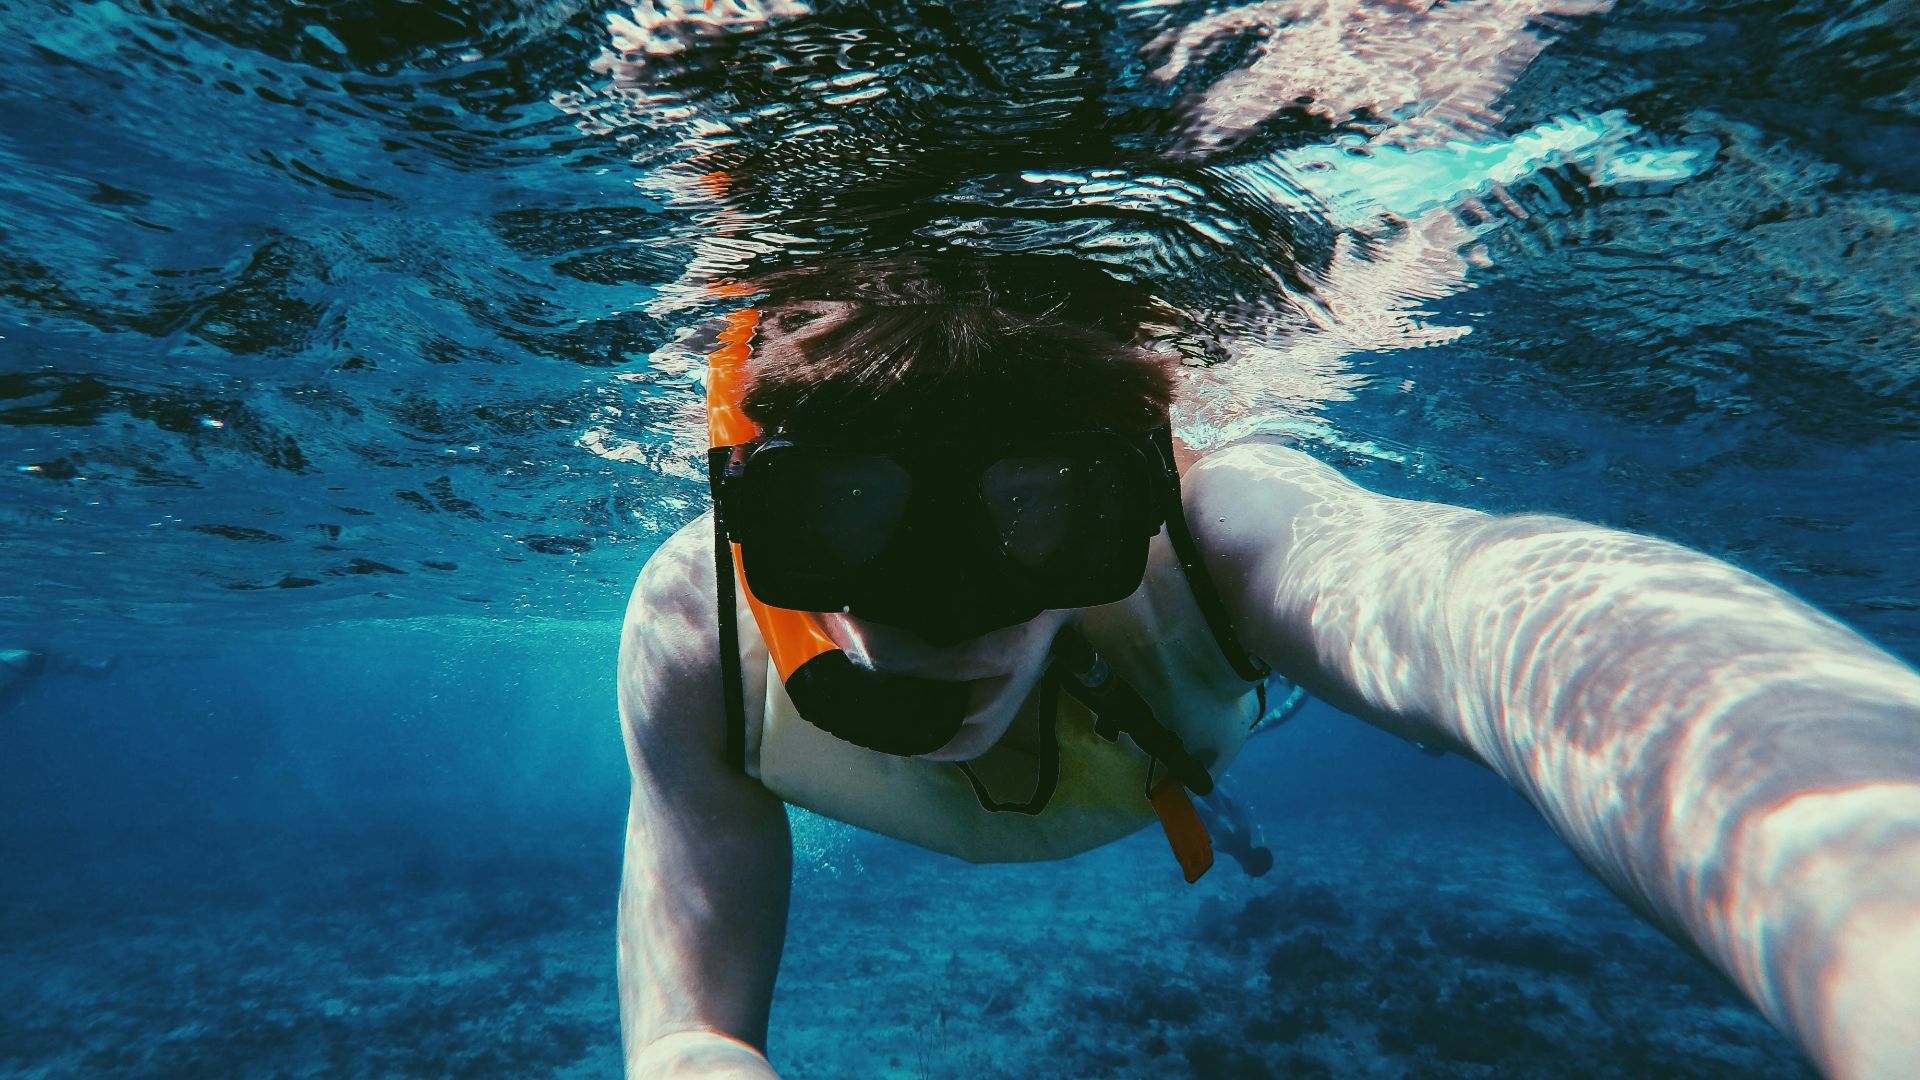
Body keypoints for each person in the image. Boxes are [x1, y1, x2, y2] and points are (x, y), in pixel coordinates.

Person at [615, 258, 1920, 1080]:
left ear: (1128, 496)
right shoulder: (695, 635)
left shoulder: (1217, 531)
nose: (950, 609)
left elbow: (1515, 617)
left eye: (1047, 513)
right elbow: (686, 1031)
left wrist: (1873, 902)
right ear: (754, 515)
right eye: (844, 515)